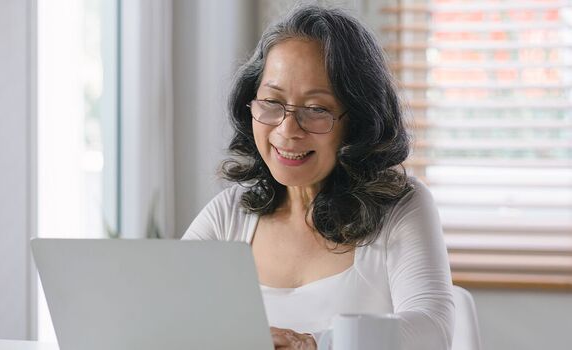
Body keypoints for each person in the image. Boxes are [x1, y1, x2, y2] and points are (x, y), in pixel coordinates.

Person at [182, 4, 454, 350]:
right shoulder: (229, 215)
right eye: (271, 102)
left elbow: (434, 330)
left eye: (316, 110)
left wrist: (315, 344)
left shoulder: (401, 206)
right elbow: (164, 315)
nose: (287, 129)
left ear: (357, 121)